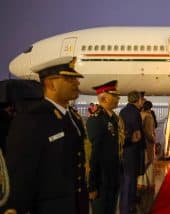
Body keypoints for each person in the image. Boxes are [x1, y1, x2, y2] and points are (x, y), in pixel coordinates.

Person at [2, 56, 89, 214]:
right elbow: (21, 173)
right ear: (51, 83)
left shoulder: (71, 117)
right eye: (69, 79)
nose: (76, 83)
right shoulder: (33, 119)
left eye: (75, 78)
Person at [86, 80, 121, 214]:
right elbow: (94, 155)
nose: (118, 98)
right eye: (115, 96)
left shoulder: (113, 119)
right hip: (101, 179)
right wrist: (92, 185)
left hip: (113, 176)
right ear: (104, 98)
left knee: (111, 209)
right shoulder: (96, 120)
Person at [119, 91, 145, 213]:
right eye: (141, 99)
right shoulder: (135, 113)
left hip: (125, 149)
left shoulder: (123, 111)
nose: (142, 102)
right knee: (130, 180)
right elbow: (137, 134)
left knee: (126, 180)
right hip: (133, 150)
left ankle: (126, 206)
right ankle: (128, 207)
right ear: (137, 100)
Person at [138, 100, 156, 189]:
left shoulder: (139, 114)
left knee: (142, 161)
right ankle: (147, 183)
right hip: (147, 142)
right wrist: (153, 139)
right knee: (149, 161)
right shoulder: (149, 116)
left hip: (139, 141)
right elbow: (149, 131)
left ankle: (140, 182)